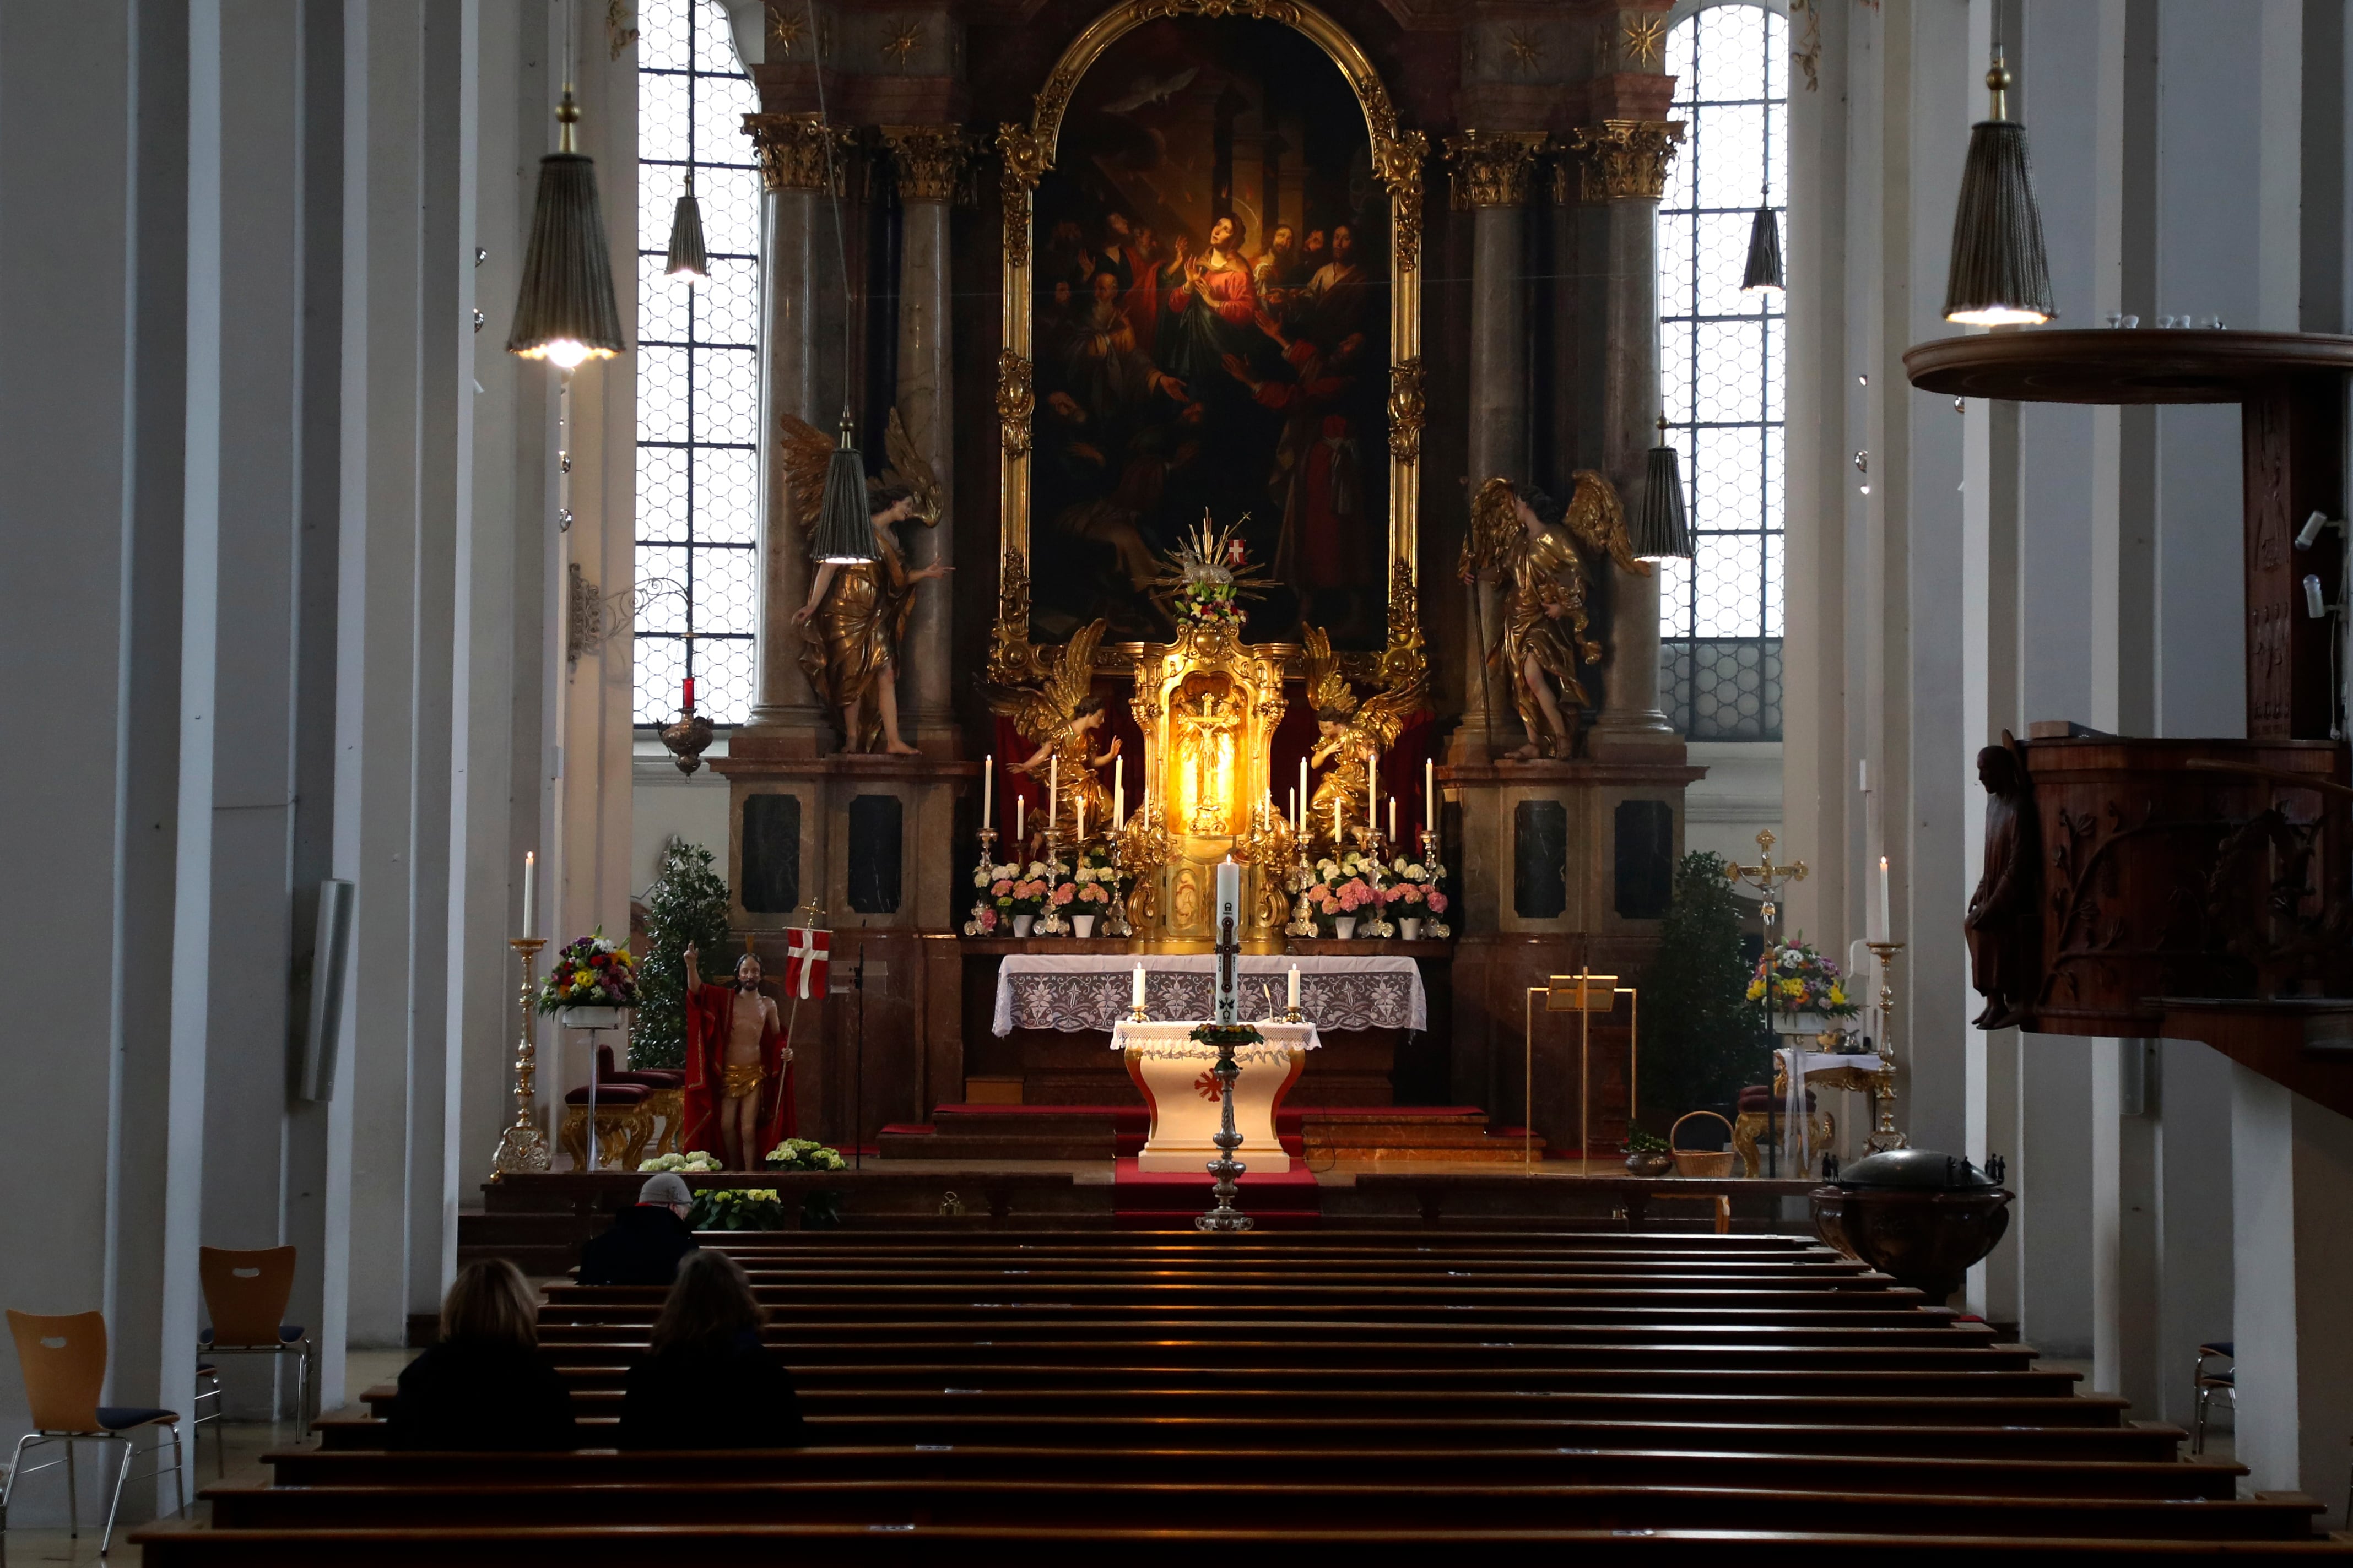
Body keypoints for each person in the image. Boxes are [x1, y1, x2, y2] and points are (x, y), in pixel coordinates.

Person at [793, 485, 951, 755]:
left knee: (886, 672)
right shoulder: (857, 529)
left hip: (874, 612)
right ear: (892, 503)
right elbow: (829, 565)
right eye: (908, 504)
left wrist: (926, 574)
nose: (909, 511)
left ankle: (893, 740)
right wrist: (812, 604)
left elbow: (899, 580)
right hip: (844, 609)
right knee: (851, 674)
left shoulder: (893, 538)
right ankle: (853, 738)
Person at [619, 1251, 805, 1448]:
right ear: (741, 1301)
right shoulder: (769, 1375)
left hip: (669, 1478)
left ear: (678, 1303)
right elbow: (795, 1445)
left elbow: (627, 1446)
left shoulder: (647, 1376)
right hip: (750, 1477)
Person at [388, 1259, 579, 1451]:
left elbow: (396, 1443)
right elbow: (566, 1449)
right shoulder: (545, 1383)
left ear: (454, 1309)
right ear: (522, 1309)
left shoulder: (419, 1376)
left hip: (437, 1479)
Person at [680, 945, 793, 1169]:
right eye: (745, 971)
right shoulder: (726, 1000)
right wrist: (691, 966)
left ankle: (751, 1175)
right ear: (738, 975)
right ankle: (734, 1168)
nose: (750, 976)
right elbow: (697, 993)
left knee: (748, 1130)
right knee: (725, 1126)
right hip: (729, 1074)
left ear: (761, 975)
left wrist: (786, 1051)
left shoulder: (769, 1005)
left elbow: (776, 1038)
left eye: (755, 971)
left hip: (754, 1073)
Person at [577, 1172, 699, 1287]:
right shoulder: (684, 1251)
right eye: (684, 1216)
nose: (683, 1221)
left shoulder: (595, 1248)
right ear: (673, 1209)